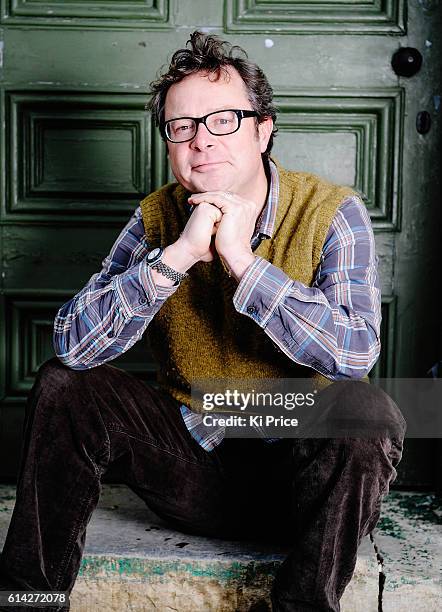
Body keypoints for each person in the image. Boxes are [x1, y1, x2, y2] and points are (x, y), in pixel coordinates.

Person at [0, 31, 406, 612]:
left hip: (303, 482)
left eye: (222, 120)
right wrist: (178, 256)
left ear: (263, 129)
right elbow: (73, 345)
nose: (200, 142)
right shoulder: (157, 217)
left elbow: (356, 352)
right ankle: (28, 602)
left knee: (369, 413)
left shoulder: (331, 211)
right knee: (65, 387)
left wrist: (244, 263)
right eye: (181, 126)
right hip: (193, 466)